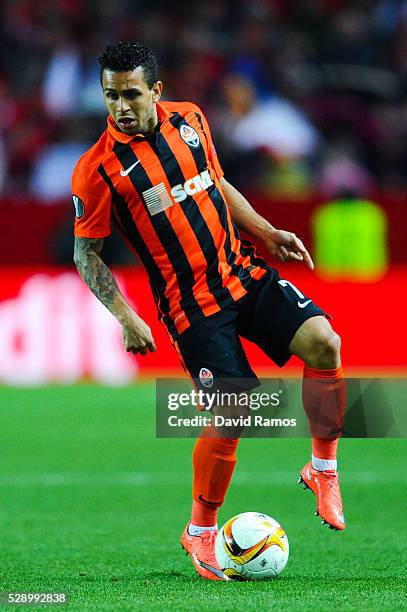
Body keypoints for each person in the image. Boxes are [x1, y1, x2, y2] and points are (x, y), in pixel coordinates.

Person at [72, 41, 346, 581]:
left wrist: (266, 232)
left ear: (155, 89)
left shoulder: (192, 119)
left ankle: (322, 471)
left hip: (240, 272)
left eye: (130, 93)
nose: (121, 106)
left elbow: (216, 183)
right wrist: (126, 317)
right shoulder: (96, 171)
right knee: (234, 411)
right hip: (191, 308)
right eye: (110, 96)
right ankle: (199, 530)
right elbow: (87, 255)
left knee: (325, 343)